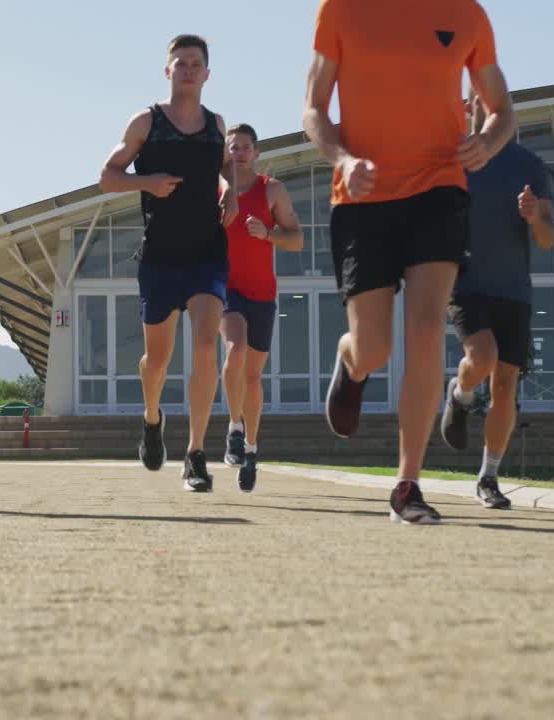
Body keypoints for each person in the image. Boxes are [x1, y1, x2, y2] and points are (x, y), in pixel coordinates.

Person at [303, 0, 515, 524]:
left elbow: (502, 109)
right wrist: (344, 159)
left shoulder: (466, 14)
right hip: (362, 194)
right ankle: (351, 361)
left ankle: (407, 484)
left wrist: (487, 142)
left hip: (438, 190)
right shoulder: (340, 10)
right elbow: (313, 109)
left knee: (426, 328)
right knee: (376, 346)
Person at [99, 34, 238, 493]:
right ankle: (152, 418)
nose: (188, 69)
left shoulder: (217, 125)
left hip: (206, 254)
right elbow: (106, 176)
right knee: (157, 360)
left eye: (196, 63)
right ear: (168, 71)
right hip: (160, 256)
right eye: (180, 62)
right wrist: (148, 182)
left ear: (207, 73)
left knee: (204, 345)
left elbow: (226, 168)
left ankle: (196, 454)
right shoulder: (147, 122)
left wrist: (231, 192)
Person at [440, 91, 554, 509]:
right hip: (467, 281)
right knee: (482, 358)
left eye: (497, 107)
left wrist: (535, 216)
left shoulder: (530, 166)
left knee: (506, 385)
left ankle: (488, 477)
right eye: (480, 105)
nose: (488, 113)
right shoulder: (451, 159)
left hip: (514, 290)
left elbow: (547, 239)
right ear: (468, 108)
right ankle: (460, 391)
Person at [220, 124, 304, 493]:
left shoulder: (271, 190)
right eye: (232, 147)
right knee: (234, 350)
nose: (238, 152)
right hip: (225, 289)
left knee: (253, 378)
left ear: (255, 153)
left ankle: (251, 450)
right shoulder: (215, 188)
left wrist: (268, 234)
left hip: (262, 294)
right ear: (226, 152)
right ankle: (234, 428)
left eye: (245, 147)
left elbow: (297, 239)